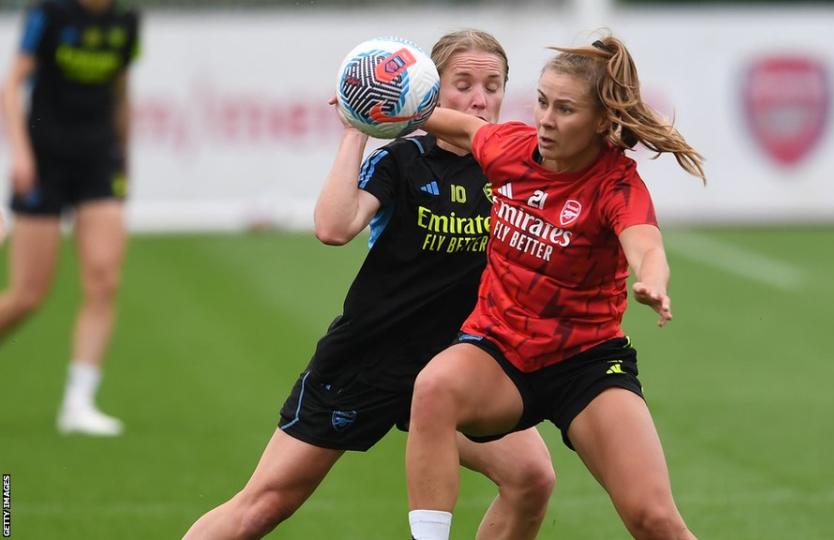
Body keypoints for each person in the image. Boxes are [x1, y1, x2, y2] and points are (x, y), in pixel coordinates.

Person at [183, 30, 555, 540]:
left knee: (531, 477)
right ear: (429, 92)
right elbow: (334, 227)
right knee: (264, 506)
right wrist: (357, 128)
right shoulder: (402, 161)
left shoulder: (515, 168)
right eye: (463, 83)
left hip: (457, 365)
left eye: (492, 85)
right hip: (370, 359)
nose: (479, 98)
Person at [404, 34, 706, 540]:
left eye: (565, 109)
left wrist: (652, 280)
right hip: (500, 351)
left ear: (601, 122)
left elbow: (646, 246)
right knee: (433, 386)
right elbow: (450, 121)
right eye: (542, 102)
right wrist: (380, 101)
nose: (545, 119)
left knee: (655, 520)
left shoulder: (616, 185)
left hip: (586, 365)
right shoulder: (510, 149)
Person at [1, 0, 140, 436]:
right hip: (45, 160)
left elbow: (120, 88)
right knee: (26, 294)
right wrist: (21, 155)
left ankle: (78, 403)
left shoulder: (125, 20)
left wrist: (124, 156)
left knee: (104, 280)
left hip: (99, 160)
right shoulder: (50, 14)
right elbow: (13, 85)